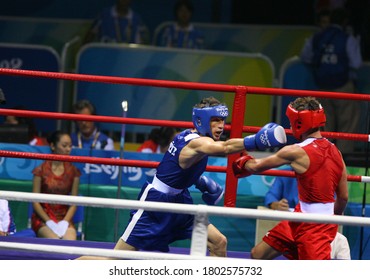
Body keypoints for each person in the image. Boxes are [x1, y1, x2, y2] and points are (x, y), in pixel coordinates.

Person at [76, 96, 287, 259]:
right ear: (202, 121)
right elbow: (225, 148)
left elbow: (178, 168)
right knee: (115, 260)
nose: (221, 126)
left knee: (218, 242)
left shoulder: (195, 139)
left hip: (180, 201)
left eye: (222, 120)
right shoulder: (196, 142)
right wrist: (257, 140)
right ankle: (69, 268)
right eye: (215, 121)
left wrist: (199, 181)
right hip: (155, 206)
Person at [233, 96, 348, 260]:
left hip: (315, 228)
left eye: (292, 121)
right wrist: (330, 221)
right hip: (301, 217)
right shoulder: (336, 152)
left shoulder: (295, 151)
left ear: (299, 122)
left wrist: (243, 158)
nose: (290, 125)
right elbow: (343, 197)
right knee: (257, 254)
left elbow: (255, 166)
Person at [300, 7, 363, 155]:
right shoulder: (348, 39)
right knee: (347, 121)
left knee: (325, 121)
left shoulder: (317, 37)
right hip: (343, 86)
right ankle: (343, 157)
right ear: (345, 22)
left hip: (322, 86)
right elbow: (356, 63)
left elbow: (306, 57)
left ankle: (325, 154)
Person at [263, 167, 351, 259]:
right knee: (257, 253)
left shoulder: (324, 175)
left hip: (316, 226)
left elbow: (336, 202)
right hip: (290, 222)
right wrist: (275, 204)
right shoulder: (285, 172)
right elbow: (271, 196)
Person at [31, 130, 81, 240]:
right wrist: (49, 222)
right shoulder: (40, 170)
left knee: (70, 245)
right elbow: (35, 202)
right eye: (64, 145)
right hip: (43, 218)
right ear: (53, 146)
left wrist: (65, 222)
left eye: (70, 146)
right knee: (55, 242)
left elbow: (74, 202)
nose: (68, 149)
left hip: (64, 218)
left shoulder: (74, 172)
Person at [84, 0, 149, 44]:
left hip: (129, 58)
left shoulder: (136, 20)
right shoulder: (104, 15)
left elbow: (143, 44)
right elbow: (89, 37)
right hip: (105, 57)